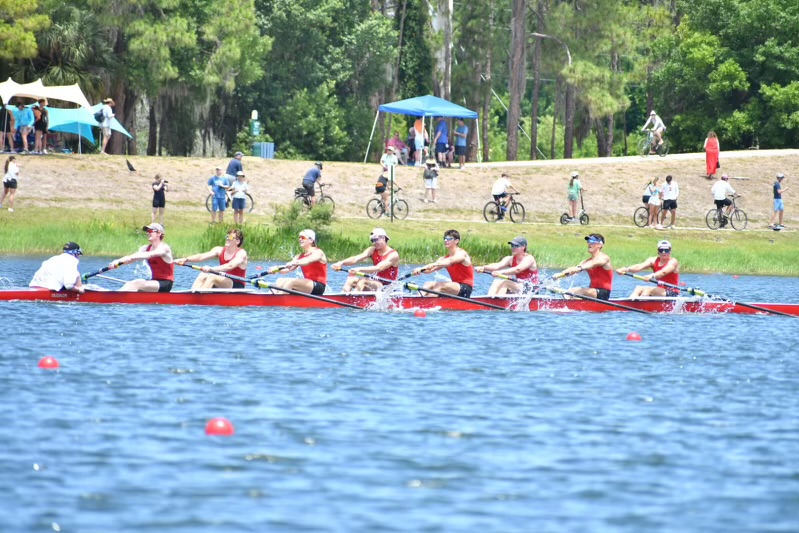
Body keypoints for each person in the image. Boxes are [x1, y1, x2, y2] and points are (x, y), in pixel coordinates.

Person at [176, 228, 248, 290]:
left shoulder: (241, 253)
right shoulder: (219, 250)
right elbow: (201, 256)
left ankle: (201, 296)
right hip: (223, 281)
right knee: (203, 274)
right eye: (227, 236)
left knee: (212, 277)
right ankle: (193, 294)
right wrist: (186, 259)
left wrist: (211, 269)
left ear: (237, 241)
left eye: (231, 237)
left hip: (237, 285)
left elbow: (230, 266)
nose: (228, 239)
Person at [331, 228, 400, 292]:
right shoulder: (372, 250)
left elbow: (378, 268)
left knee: (363, 281)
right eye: (372, 240)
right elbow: (355, 259)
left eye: (376, 240)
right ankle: (341, 297)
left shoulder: (393, 255)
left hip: (387, 286)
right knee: (351, 280)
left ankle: (353, 298)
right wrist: (340, 263)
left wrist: (359, 269)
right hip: (376, 282)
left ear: (383, 238)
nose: (374, 243)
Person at [113, 223, 174, 292]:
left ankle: (115, 296)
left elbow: (150, 255)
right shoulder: (145, 248)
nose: (148, 233)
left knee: (136, 284)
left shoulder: (164, 248)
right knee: (131, 284)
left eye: (150, 231)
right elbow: (131, 259)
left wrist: (130, 257)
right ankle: (118, 294)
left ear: (159, 233)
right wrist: (118, 262)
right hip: (154, 282)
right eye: (147, 231)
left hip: (166, 283)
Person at [412, 229, 474, 297]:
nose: (446, 240)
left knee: (440, 285)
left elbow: (450, 261)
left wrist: (434, 264)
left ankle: (428, 302)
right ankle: (418, 300)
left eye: (449, 239)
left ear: (456, 241)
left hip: (466, 288)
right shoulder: (444, 258)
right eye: (445, 238)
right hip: (454, 287)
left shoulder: (462, 254)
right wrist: (420, 269)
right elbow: (430, 270)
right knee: (428, 284)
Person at [555, 234, 614, 301]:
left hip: (603, 293)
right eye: (588, 241)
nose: (589, 243)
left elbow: (593, 263)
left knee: (574, 291)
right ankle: (568, 304)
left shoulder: (604, 258)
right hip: (592, 292)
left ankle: (566, 304)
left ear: (600, 245)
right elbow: (573, 270)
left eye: (592, 241)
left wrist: (580, 268)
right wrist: (559, 275)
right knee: (573, 296)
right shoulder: (586, 262)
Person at [272, 229, 328, 295]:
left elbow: (308, 260)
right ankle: (271, 297)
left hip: (318, 286)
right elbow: (288, 269)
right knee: (280, 281)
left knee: (292, 282)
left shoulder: (318, 252)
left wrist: (294, 262)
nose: (300, 239)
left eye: (303, 237)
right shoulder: (299, 256)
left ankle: (279, 298)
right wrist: (277, 268)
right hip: (307, 285)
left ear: (311, 240)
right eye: (299, 237)